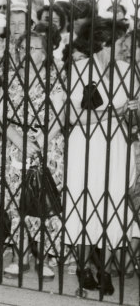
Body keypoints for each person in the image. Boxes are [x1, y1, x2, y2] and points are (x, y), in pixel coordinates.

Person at [64, 18, 138, 296]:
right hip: (86, 145)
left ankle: (105, 269)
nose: (125, 48)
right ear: (103, 43)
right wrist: (110, 114)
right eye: (120, 42)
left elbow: (134, 118)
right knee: (83, 201)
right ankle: (84, 267)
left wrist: (134, 109)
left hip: (117, 145)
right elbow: (71, 117)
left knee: (113, 204)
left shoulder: (128, 71)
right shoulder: (78, 70)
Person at [0, 23, 65, 280]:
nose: (26, 52)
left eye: (33, 48)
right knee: (15, 202)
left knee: (42, 201)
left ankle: (43, 257)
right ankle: (19, 256)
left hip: (46, 144)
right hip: (15, 144)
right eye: (23, 48)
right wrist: (16, 138)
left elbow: (60, 115)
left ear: (45, 53)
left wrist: (41, 141)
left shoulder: (55, 77)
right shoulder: (10, 76)